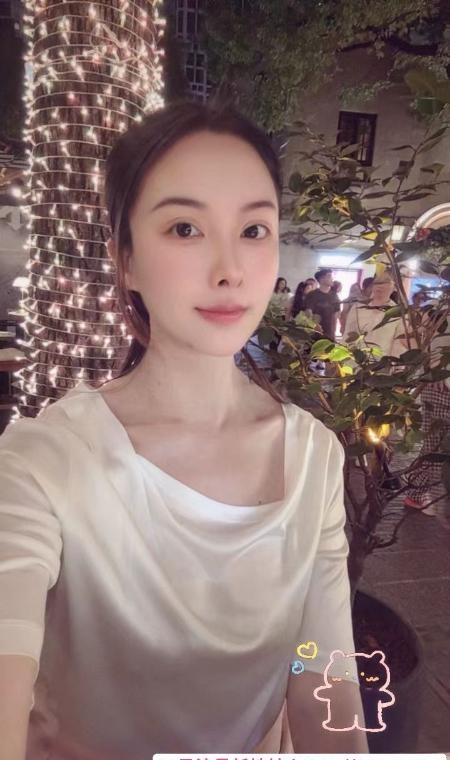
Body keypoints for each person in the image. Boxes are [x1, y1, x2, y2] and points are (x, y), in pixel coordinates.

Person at [0, 100, 368, 758]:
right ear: (126, 259)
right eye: (184, 228)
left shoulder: (313, 454)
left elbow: (323, 676)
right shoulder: (46, 459)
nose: (229, 269)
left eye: (253, 230)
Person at [342, 271, 405, 357]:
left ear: (395, 287)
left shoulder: (398, 313)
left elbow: (398, 345)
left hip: (382, 361)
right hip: (356, 360)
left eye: (386, 281)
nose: (380, 285)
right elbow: (347, 335)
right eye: (377, 281)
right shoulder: (358, 308)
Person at [303, 269, 341, 341]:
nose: (332, 279)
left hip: (330, 333)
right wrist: (314, 325)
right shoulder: (312, 295)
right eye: (329, 276)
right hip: (315, 332)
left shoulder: (334, 295)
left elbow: (336, 315)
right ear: (321, 279)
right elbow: (308, 312)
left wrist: (334, 332)